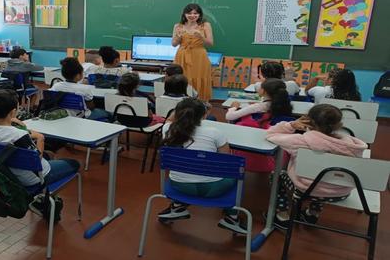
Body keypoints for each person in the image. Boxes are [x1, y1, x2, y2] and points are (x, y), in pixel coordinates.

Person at [266, 104, 367, 229]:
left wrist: (291, 125)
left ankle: (282, 215)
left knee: (277, 175)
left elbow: (270, 134)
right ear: (338, 124)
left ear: (309, 121)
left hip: (306, 190)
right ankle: (312, 214)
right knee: (325, 178)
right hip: (342, 192)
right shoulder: (350, 145)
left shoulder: (300, 141)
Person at [157, 98, 246, 235]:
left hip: (179, 185)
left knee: (185, 170)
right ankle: (232, 218)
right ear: (204, 115)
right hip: (213, 189)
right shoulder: (216, 132)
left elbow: (170, 120)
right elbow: (225, 162)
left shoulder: (168, 129)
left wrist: (181, 109)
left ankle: (177, 207)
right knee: (236, 172)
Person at [0, 89, 80, 187]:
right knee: (74, 163)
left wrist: (12, 123)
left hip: (2, 171)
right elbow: (35, 163)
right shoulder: (18, 135)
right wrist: (40, 138)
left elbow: (0, 132)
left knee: (49, 155)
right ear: (13, 112)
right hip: (31, 179)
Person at [171, 3, 213, 100]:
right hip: (182, 56)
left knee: (198, 77)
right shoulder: (178, 26)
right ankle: (181, 101)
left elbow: (210, 43)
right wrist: (179, 37)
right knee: (182, 78)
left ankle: (199, 103)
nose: (192, 16)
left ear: (199, 15)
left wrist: (201, 37)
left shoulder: (205, 25)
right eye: (189, 13)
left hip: (199, 56)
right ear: (184, 14)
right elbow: (173, 44)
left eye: (195, 13)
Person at [225, 78, 292, 127]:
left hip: (253, 130)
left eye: (261, 87)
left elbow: (229, 117)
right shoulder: (284, 103)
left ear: (264, 91)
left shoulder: (257, 107)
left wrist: (233, 107)